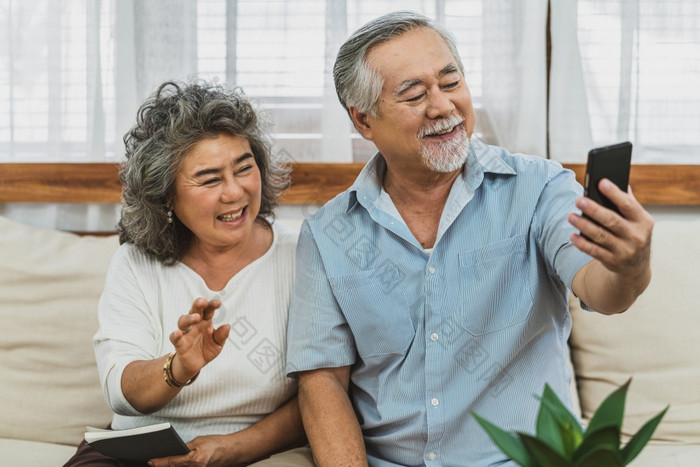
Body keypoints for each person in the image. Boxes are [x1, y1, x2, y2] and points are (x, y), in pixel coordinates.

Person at [285, 11, 654, 466]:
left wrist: (628, 262)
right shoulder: (328, 233)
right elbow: (322, 383)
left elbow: (603, 290)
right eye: (414, 94)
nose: (442, 107)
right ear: (364, 122)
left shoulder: (539, 187)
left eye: (450, 81)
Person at [64, 80, 314, 467]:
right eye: (210, 179)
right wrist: (177, 368)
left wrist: (234, 448)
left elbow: (325, 392)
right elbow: (120, 390)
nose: (234, 192)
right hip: (136, 452)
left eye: (244, 168)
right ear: (166, 195)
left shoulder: (304, 257)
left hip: (253, 451)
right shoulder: (135, 262)